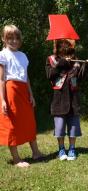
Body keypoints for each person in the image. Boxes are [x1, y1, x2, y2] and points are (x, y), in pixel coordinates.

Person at [0, 25, 43, 168]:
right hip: (10, 90)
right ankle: (16, 158)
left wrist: (31, 94)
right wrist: (3, 100)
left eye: (16, 38)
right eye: (10, 38)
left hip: (24, 90)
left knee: (29, 120)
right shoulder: (3, 54)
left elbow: (26, 77)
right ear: (4, 39)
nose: (14, 41)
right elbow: (1, 79)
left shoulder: (23, 56)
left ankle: (36, 152)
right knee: (12, 124)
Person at [45, 39, 88, 161]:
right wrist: (61, 62)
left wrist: (87, 65)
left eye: (69, 53)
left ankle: (72, 148)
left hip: (74, 101)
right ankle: (61, 149)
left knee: (73, 127)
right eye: (64, 54)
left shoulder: (76, 61)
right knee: (59, 127)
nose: (67, 56)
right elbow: (50, 75)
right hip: (58, 101)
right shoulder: (51, 60)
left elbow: (80, 78)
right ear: (58, 51)